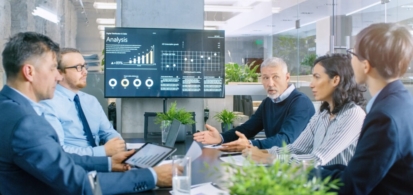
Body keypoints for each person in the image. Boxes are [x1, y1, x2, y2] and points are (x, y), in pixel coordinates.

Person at [0, 32, 173, 194]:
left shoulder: (9, 108)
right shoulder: (26, 122)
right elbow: (78, 183)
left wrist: (108, 163)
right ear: (29, 72)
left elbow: (58, 158)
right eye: (53, 68)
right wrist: (153, 176)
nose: (57, 77)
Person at [316, 23, 413, 194]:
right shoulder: (402, 102)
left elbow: (352, 186)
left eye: (352, 54)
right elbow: (365, 169)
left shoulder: (384, 117)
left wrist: (301, 174)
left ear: (366, 65)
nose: (350, 60)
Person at [243, 53, 366, 166]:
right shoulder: (323, 115)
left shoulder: (352, 114)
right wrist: (260, 152)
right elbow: (295, 149)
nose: (311, 84)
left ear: (335, 80)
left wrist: (268, 158)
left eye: (317, 77)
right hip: (317, 183)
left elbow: (316, 160)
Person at [194, 57, 315, 151]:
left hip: (298, 166)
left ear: (287, 78)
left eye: (275, 77)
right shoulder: (269, 102)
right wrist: (221, 138)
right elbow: (247, 129)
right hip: (275, 159)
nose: (270, 83)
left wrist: (250, 144)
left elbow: (286, 140)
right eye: (265, 78)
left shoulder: (300, 103)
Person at [41, 48, 124, 157]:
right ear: (59, 73)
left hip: (103, 161)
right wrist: (102, 151)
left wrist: (119, 146)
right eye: (78, 67)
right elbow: (59, 151)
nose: (85, 72)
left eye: (85, 66)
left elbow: (108, 132)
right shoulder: (49, 103)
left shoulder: (91, 100)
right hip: (76, 167)